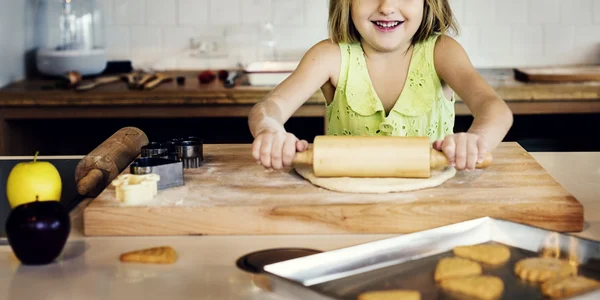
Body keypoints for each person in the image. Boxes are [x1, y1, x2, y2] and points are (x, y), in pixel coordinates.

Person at [248, 0, 513, 172]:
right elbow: (271, 106)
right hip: (345, 202)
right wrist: (269, 128)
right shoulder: (330, 55)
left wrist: (476, 141)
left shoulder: (442, 52)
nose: (387, 6)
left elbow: (494, 109)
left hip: (432, 199)